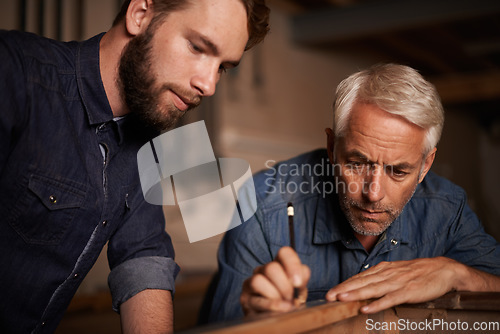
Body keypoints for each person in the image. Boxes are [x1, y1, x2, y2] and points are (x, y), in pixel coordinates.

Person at [0, 0, 269, 333]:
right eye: (198, 47)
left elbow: (143, 255)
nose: (209, 85)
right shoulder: (13, 73)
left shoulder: (147, 137)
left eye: (223, 67)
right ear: (140, 14)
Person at [204, 63, 500, 322]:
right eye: (357, 164)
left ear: (425, 165)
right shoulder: (264, 204)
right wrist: (257, 325)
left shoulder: (447, 207)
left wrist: (457, 273)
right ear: (332, 148)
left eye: (398, 171)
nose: (373, 194)